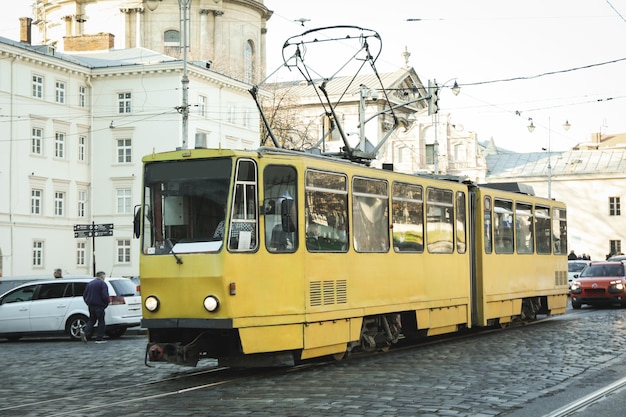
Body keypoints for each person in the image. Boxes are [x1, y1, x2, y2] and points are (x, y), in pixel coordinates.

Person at [80, 271, 110, 344]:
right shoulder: (102, 284)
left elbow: (85, 295)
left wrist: (88, 302)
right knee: (101, 321)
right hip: (99, 305)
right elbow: (105, 295)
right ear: (102, 276)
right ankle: (99, 338)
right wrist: (106, 303)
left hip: (91, 305)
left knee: (91, 320)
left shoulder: (90, 284)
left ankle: (86, 334)